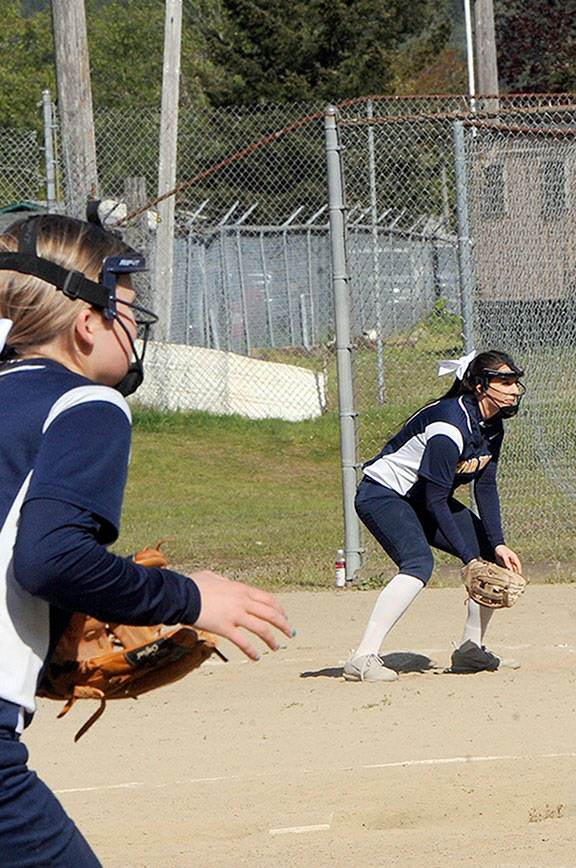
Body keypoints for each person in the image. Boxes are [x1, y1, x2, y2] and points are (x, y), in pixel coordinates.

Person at [0, 213, 296, 865]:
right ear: (87, 323)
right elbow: (50, 558)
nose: (135, 327)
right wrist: (189, 597)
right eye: (128, 311)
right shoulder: (84, 403)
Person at [343, 350, 525, 681]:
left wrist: (496, 543)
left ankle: (470, 649)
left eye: (515, 382)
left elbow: (485, 486)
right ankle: (362, 657)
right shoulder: (449, 427)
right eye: (505, 382)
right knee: (418, 563)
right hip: (383, 495)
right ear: (481, 387)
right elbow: (436, 499)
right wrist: (469, 560)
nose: (514, 389)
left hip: (422, 498)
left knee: (490, 557)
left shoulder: (491, 425)